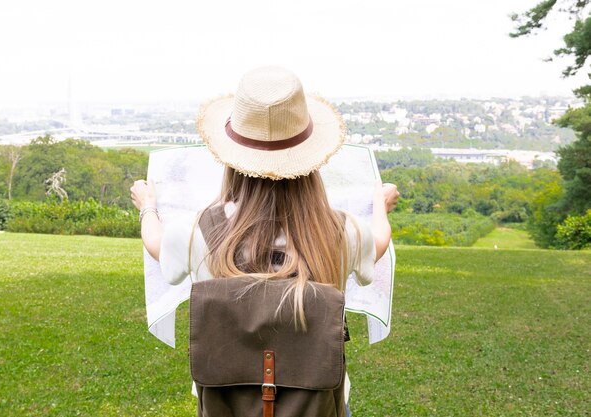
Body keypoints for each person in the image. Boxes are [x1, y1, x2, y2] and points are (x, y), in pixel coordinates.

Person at [130, 66, 399, 416]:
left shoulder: (196, 231)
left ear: (231, 160)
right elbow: (378, 241)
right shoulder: (342, 232)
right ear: (311, 162)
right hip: (320, 404)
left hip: (224, 403)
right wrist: (381, 205)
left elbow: (157, 244)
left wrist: (147, 208)